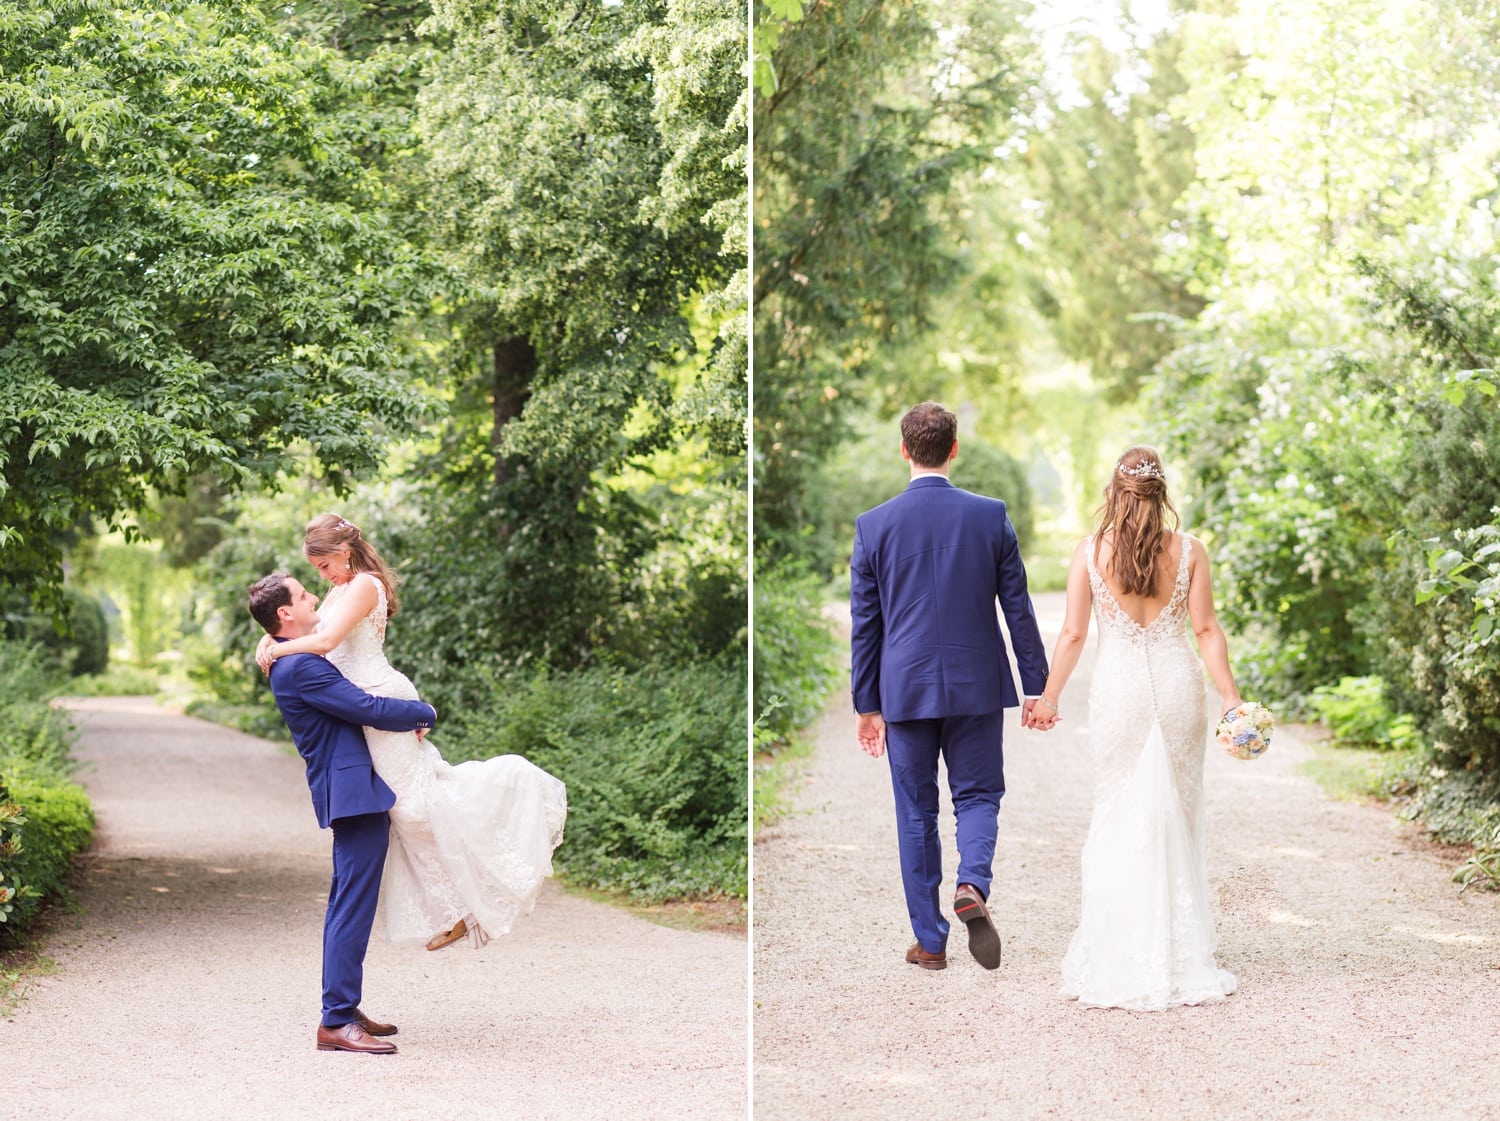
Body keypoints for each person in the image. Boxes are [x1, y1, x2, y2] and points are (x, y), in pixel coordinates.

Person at [255, 514, 567, 953]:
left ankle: (486, 869)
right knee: (408, 809)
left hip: (381, 698)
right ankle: (459, 906)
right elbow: (311, 629)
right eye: (317, 571)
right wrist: (265, 641)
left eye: (324, 566)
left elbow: (323, 645)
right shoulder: (340, 587)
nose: (322, 576)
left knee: (412, 809)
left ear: (343, 552)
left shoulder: (363, 584)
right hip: (364, 706)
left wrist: (277, 648)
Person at [1028, 445, 1240, 1010]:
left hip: (1119, 690)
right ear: (1161, 491)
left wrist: (1048, 698)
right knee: (1178, 807)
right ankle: (1179, 948)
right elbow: (1207, 630)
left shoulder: (1090, 551)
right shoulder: (1190, 550)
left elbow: (1073, 635)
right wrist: (1231, 699)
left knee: (1118, 806)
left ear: (1114, 492)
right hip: (1175, 687)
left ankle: (1120, 945)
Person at [849, 402, 1050, 971]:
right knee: (979, 795)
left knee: (916, 812)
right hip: (976, 684)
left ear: (904, 450)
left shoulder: (874, 525)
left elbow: (868, 623)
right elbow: (1018, 607)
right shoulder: (990, 516)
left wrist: (868, 704)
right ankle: (972, 885)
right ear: (955, 449)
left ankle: (930, 942)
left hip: (904, 689)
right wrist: (1035, 684)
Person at [248, 571, 437, 1054]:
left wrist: (268, 642)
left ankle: (344, 1009)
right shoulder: (301, 668)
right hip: (352, 792)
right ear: (286, 614)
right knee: (351, 904)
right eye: (304, 594)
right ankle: (335, 1020)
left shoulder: (296, 657)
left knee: (348, 901)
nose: (315, 596)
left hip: (352, 788)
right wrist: (424, 712)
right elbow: (366, 707)